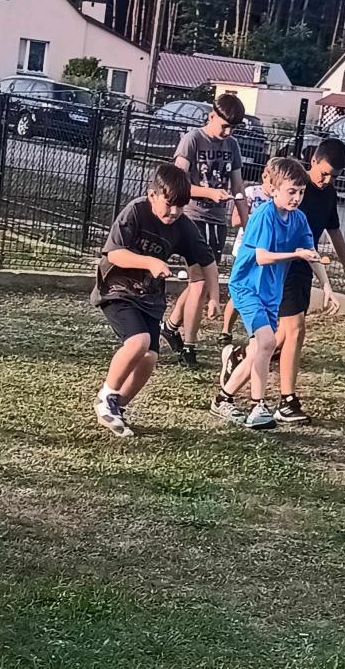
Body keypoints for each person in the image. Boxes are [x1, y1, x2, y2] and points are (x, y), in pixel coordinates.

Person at [222, 138, 345, 425]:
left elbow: (314, 249)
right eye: (292, 192)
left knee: (266, 345)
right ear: (274, 189)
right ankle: (267, 405)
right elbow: (261, 257)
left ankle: (225, 395)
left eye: (301, 193)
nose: (297, 197)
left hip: (276, 284)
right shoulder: (267, 214)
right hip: (251, 286)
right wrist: (295, 254)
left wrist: (328, 286)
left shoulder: (300, 216)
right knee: (277, 338)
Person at [91, 164, 217, 437]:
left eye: (181, 206)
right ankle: (106, 396)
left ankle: (117, 407)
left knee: (148, 358)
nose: (174, 212)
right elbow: (114, 253)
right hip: (117, 289)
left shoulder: (183, 226)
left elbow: (207, 261)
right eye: (169, 204)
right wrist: (150, 261)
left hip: (149, 297)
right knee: (139, 342)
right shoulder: (136, 211)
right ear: (152, 195)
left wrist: (214, 297)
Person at [160, 93, 249, 369]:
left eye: (233, 128)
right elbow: (177, 183)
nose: (228, 132)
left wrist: (248, 225)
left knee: (196, 283)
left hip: (217, 222)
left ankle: (171, 326)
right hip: (192, 218)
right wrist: (209, 193)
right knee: (199, 282)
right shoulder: (192, 140)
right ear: (211, 116)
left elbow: (238, 187)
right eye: (224, 126)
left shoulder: (232, 145)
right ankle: (189, 345)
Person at [219, 158, 277, 346]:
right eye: (272, 179)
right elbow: (235, 220)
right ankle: (226, 330)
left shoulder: (280, 199)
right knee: (240, 292)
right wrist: (258, 219)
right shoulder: (252, 193)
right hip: (246, 248)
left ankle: (256, 332)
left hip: (267, 252)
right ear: (265, 176)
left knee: (259, 293)